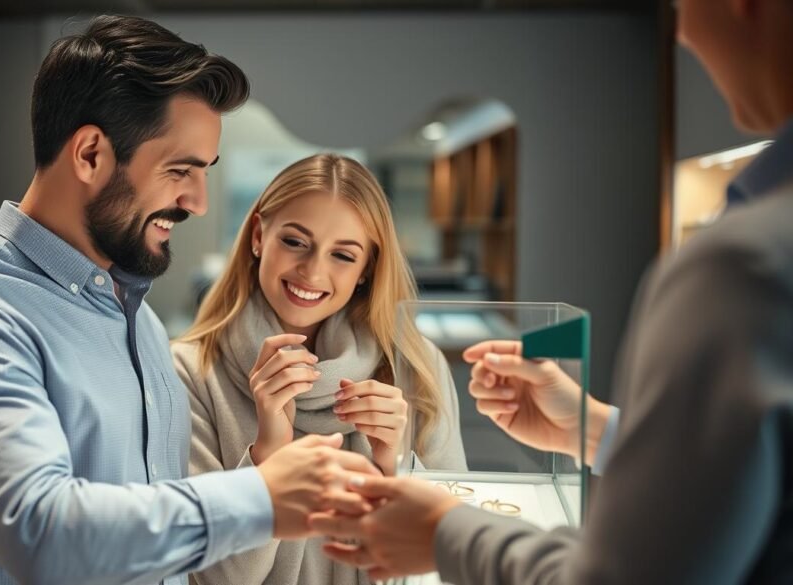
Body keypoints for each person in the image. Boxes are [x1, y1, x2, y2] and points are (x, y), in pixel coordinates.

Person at [309, 0, 793, 583]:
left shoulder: (746, 265)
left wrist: (447, 532)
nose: (683, 34)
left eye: (685, 5)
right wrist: (590, 429)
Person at [0, 16, 379, 585]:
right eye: (180, 171)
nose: (197, 202)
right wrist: (263, 496)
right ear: (91, 154)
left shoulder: (139, 322)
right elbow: (44, 535)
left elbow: (158, 539)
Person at [172, 153, 468, 585]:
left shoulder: (417, 367)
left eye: (343, 256)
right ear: (258, 236)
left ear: (367, 269)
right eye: (294, 242)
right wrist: (268, 455)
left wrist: (391, 466)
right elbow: (215, 579)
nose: (312, 271)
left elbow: (449, 559)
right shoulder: (189, 371)